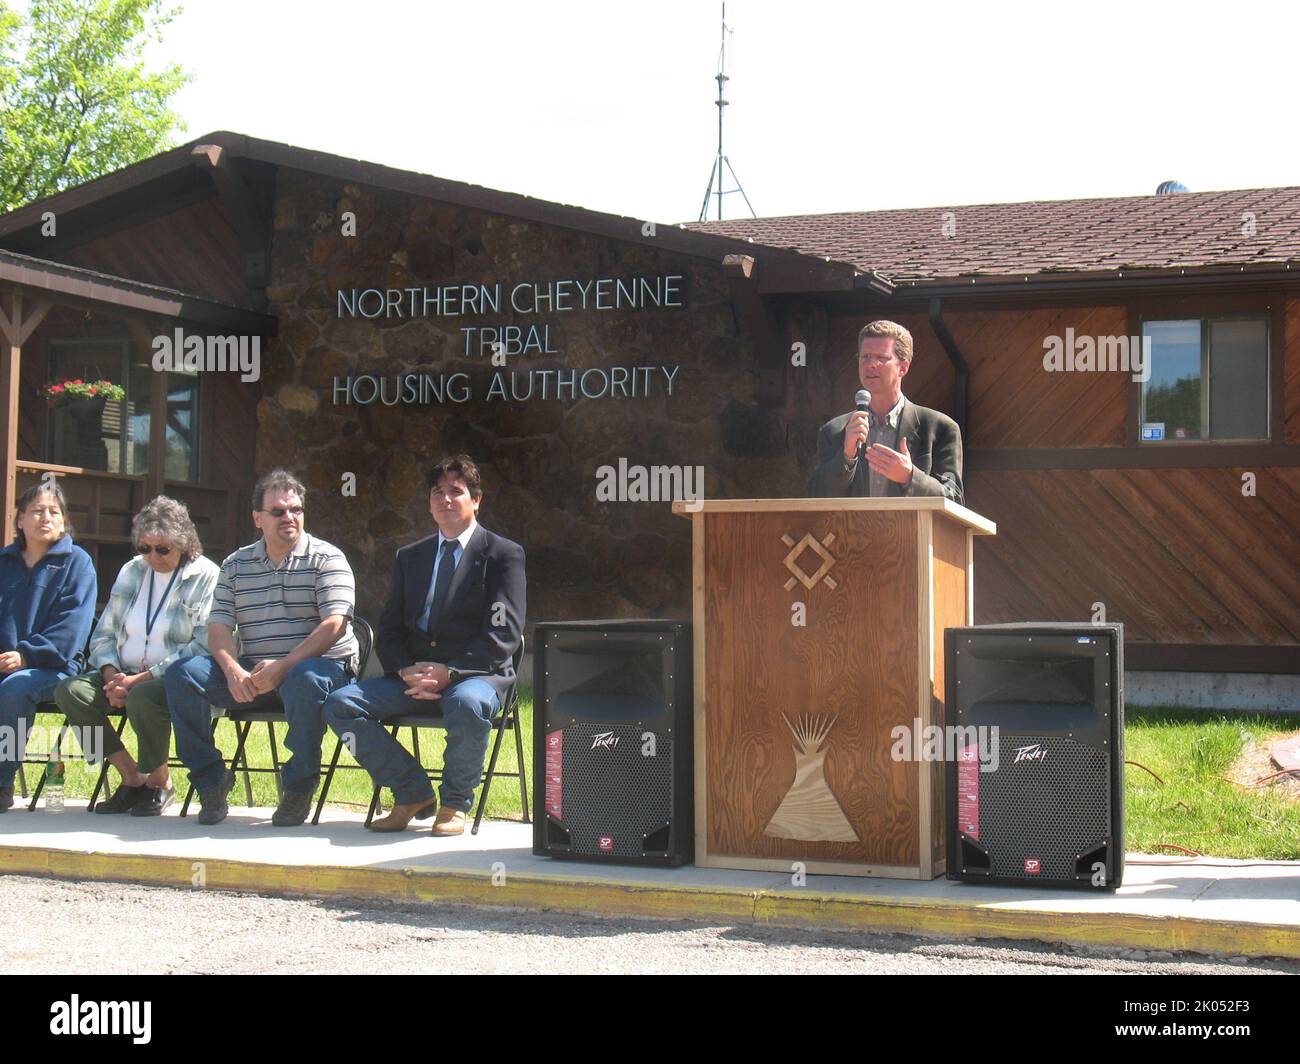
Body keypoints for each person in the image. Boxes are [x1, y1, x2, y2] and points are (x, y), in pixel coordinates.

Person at [324, 455, 525, 836]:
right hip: (414, 674)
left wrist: (451, 672)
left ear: (476, 500)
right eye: (438, 492)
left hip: (476, 674)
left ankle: (454, 804)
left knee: (466, 703)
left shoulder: (502, 555)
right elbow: (390, 628)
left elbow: (504, 635)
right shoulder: (410, 557)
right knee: (340, 704)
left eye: (456, 491)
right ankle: (411, 791)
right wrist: (404, 669)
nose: (445, 499)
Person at [165, 470, 358, 827]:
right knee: (182, 675)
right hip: (253, 671)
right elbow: (219, 626)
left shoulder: (327, 558)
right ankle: (211, 781)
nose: (290, 517)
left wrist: (283, 667)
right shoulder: (236, 564)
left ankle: (298, 786)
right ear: (257, 519)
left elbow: (335, 625)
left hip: (319, 669)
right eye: (279, 511)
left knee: (304, 677)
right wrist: (232, 670)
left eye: (297, 510)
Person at [56, 496, 220, 816]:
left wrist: (139, 679)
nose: (152, 557)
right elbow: (104, 633)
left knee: (143, 696)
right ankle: (131, 777)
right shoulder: (132, 570)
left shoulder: (207, 575)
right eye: (145, 548)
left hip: (174, 678)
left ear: (183, 543)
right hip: (122, 673)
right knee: (69, 691)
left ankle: (160, 784)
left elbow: (203, 644)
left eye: (162, 549)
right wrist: (111, 676)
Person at [0, 481, 97, 811]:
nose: (46, 517)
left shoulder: (77, 564)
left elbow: (71, 631)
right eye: (38, 511)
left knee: (15, 688)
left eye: (54, 512)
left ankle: (1, 782)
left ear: (64, 520)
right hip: (5, 662)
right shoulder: (4, 562)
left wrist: (25, 655)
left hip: (54, 668)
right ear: (20, 519)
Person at [807, 320, 964, 503]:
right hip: (851, 532)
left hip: (912, 532)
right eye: (865, 356)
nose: (871, 364)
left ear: (903, 367)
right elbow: (814, 498)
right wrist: (846, 457)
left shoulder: (940, 429)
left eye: (881, 358)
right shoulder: (834, 431)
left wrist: (910, 477)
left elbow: (954, 499)